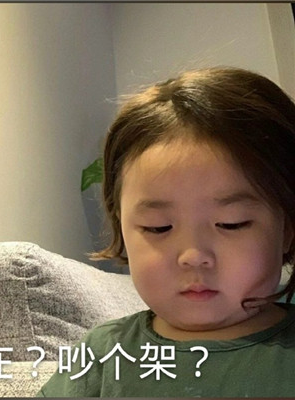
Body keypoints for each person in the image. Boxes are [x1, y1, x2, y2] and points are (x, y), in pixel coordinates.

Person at [38, 67, 295, 397]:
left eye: (231, 223)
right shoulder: (103, 354)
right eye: (158, 227)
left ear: (287, 229)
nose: (193, 256)